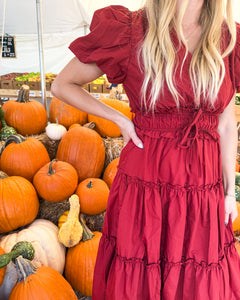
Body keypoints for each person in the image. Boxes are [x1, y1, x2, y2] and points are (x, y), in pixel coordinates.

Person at [51, 0, 240, 298]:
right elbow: (63, 85)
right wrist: (119, 119)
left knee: (197, 281)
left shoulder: (227, 39)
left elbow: (227, 125)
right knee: (142, 276)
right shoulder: (132, 31)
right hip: (145, 185)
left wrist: (229, 194)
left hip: (203, 189)